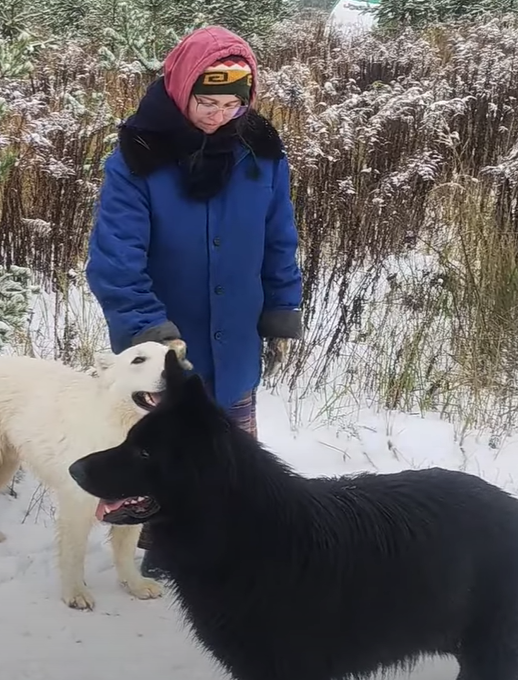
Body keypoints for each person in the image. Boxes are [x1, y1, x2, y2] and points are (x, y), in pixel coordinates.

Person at [84, 26, 304, 580]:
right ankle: (164, 548)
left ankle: (234, 545)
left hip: (237, 340)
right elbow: (116, 258)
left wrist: (282, 303)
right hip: (170, 349)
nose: (219, 115)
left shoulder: (261, 153)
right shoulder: (139, 156)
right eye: (208, 102)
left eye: (233, 105)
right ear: (182, 88)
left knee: (233, 455)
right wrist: (148, 330)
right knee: (170, 456)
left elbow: (279, 237)